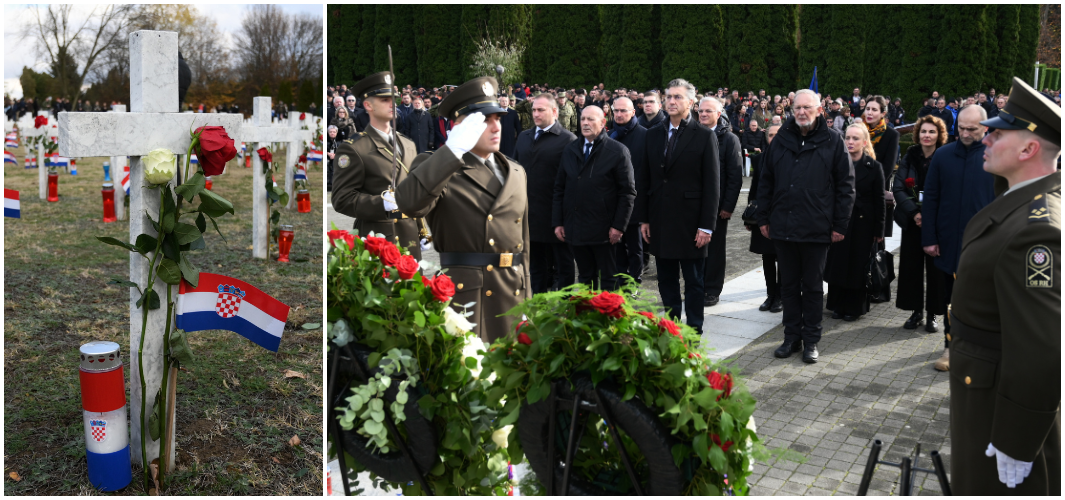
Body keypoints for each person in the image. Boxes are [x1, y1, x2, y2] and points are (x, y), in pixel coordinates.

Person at [948, 76, 1061, 496]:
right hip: (979, 386)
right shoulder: (1021, 199)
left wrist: (1018, 438)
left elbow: (1042, 347)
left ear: (1029, 148)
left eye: (998, 132)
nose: (986, 138)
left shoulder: (1038, 231)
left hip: (997, 400)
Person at [396, 76, 531, 342]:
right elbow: (408, 203)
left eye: (498, 119)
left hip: (512, 292)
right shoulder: (439, 166)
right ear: (459, 126)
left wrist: (528, 297)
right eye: (484, 120)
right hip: (469, 297)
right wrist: (452, 150)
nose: (495, 127)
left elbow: (523, 243)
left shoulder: (516, 171)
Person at [756, 89, 855, 364]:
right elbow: (765, 181)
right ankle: (791, 337)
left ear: (819, 110)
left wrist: (840, 224)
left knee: (812, 287)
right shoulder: (780, 140)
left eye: (807, 108)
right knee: (787, 286)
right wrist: (763, 218)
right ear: (791, 109)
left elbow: (846, 186)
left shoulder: (833, 141)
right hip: (783, 226)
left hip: (816, 227)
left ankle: (811, 339)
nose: (801, 112)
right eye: (797, 107)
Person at [637, 79, 720, 334]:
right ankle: (671, 328)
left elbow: (712, 184)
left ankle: (694, 330)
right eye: (669, 97)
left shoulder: (704, 136)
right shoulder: (652, 134)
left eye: (678, 97)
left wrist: (706, 226)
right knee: (666, 280)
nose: (671, 102)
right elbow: (645, 178)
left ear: (691, 103)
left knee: (694, 281)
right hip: (661, 219)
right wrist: (644, 218)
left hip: (691, 222)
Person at [921, 105, 996, 367]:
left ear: (985, 128)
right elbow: (930, 199)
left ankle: (979, 348)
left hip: (985, 245)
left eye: (971, 129)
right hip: (949, 244)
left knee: (983, 301)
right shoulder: (942, 156)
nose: (964, 133)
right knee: (951, 300)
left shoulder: (996, 156)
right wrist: (929, 238)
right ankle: (950, 347)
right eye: (960, 128)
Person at [332, 71, 422, 261]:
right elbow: (341, 198)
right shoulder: (355, 148)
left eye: (393, 98)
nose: (392, 104)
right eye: (384, 99)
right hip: (377, 242)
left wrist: (422, 229)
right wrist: (380, 203)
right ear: (368, 105)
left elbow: (415, 191)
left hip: (410, 241)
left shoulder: (408, 145)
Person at [552, 106, 636, 291]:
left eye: (591, 119)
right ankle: (588, 317)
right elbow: (560, 188)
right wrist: (558, 222)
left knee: (609, 279)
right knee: (585, 278)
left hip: (605, 231)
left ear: (603, 123)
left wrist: (618, 226)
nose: (585, 123)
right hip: (576, 228)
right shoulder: (570, 150)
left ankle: (608, 317)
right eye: (583, 119)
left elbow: (627, 192)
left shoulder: (617, 151)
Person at [513, 92, 578, 294]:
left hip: (556, 214)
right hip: (529, 214)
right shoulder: (524, 137)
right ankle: (537, 306)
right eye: (533, 109)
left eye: (541, 109)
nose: (536, 114)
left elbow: (573, 182)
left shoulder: (567, 140)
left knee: (564, 265)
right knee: (535, 267)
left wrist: (564, 217)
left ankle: (566, 308)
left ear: (554, 112)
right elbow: (514, 171)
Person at [893, 115, 948, 340]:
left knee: (936, 271)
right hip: (913, 222)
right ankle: (915, 312)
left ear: (939, 135)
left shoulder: (945, 156)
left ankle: (933, 314)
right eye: (924, 131)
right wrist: (915, 213)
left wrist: (930, 216)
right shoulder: (910, 155)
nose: (927, 135)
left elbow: (949, 189)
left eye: (932, 132)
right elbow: (898, 187)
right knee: (911, 268)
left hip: (936, 225)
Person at [825, 124, 885, 320]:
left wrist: (879, 228)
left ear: (864, 142)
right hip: (840, 221)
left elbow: (879, 200)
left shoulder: (874, 167)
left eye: (855, 138)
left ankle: (854, 307)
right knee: (838, 262)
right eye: (848, 138)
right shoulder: (837, 163)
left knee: (858, 265)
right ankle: (836, 304)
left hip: (863, 224)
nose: (850, 142)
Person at [696, 97, 743, 306]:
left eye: (708, 111)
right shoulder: (692, 135)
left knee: (714, 250)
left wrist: (728, 206)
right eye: (700, 111)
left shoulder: (729, 139)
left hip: (718, 207)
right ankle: (696, 286)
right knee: (695, 248)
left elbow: (735, 176)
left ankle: (712, 289)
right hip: (694, 204)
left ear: (719, 114)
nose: (703, 114)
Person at [609, 97, 649, 290]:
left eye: (623, 111)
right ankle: (619, 280)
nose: (619, 114)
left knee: (635, 246)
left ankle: (634, 282)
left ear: (633, 112)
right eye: (616, 111)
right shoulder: (610, 135)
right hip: (614, 201)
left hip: (636, 200)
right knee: (616, 244)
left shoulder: (645, 136)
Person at [863, 96, 900, 299]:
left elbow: (887, 169)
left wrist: (866, 182)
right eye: (868, 108)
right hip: (857, 195)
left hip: (877, 194)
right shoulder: (859, 132)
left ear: (883, 113)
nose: (870, 112)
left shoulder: (891, 135)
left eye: (874, 109)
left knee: (877, 242)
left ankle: (878, 285)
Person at [746, 123, 783, 312]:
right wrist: (750, 216)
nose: (774, 138)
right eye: (771, 135)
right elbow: (754, 188)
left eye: (778, 134)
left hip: (784, 216)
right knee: (767, 258)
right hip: (764, 215)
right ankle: (770, 295)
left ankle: (781, 296)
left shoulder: (791, 157)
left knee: (783, 258)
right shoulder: (760, 159)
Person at [326, 125, 339, 192]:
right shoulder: (325, 140)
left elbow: (342, 150)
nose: (332, 133)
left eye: (334, 132)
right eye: (330, 132)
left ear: (336, 133)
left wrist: (335, 155)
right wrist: (328, 153)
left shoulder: (339, 141)